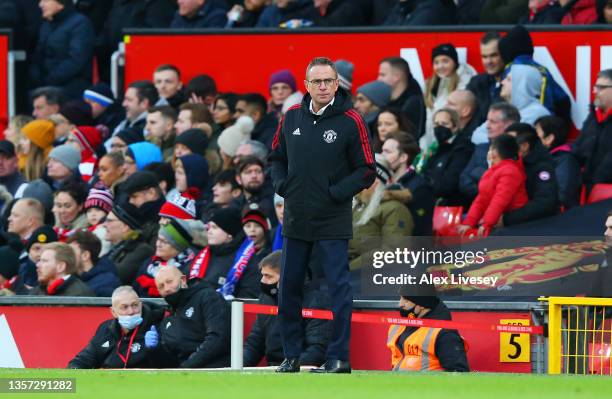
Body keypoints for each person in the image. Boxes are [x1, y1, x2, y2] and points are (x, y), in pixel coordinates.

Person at [270, 57, 375, 374]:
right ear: (306, 85)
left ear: (337, 83)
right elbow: (276, 157)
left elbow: (366, 170)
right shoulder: (290, 117)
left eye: (329, 81)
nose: (324, 87)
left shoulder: (351, 120)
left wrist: (335, 193)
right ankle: (291, 356)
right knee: (288, 288)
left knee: (338, 289)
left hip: (332, 220)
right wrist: (281, 185)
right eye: (317, 81)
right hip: (296, 219)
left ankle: (339, 357)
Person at [243, 250, 331, 367]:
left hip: (303, 370)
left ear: (287, 277)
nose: (262, 281)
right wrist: (237, 366)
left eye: (268, 276)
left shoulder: (316, 302)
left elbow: (317, 349)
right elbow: (255, 342)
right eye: (262, 275)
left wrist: (288, 367)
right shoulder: (266, 299)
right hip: (275, 367)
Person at [148, 267, 231, 368]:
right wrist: (156, 350)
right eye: (161, 286)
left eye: (169, 282)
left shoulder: (207, 296)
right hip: (185, 375)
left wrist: (186, 368)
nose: (167, 288)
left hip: (216, 369)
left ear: (183, 280)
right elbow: (171, 363)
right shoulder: (168, 317)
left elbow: (218, 339)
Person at [67, 286, 165, 368]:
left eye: (135, 305)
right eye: (124, 307)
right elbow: (83, 360)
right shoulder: (106, 329)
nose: (131, 311)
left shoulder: (156, 325)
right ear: (113, 312)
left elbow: (169, 366)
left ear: (141, 305)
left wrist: (155, 350)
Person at [350, 154, 413, 270]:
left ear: (376, 181)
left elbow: (393, 252)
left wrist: (348, 268)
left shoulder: (395, 209)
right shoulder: (357, 203)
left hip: (367, 276)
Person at [458, 134, 529, 236]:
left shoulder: (511, 171)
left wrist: (487, 223)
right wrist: (469, 222)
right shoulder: (493, 170)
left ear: (495, 152)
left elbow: (499, 200)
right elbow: (481, 199)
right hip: (495, 222)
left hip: (514, 227)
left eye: (491, 149)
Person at [389, 282, 469, 372]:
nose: (400, 304)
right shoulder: (399, 326)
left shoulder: (444, 333)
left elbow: (458, 373)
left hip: (428, 385)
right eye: (401, 298)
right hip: (398, 384)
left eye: (406, 300)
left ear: (422, 305)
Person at [28, 0, 94, 99]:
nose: (40, 4)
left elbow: (76, 59)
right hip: (45, 86)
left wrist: (50, 79)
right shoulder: (46, 24)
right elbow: (38, 54)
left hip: (71, 88)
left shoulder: (80, 23)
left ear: (61, 4)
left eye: (45, 1)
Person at [459, 102, 521, 205]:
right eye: (488, 121)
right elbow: (464, 180)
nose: (487, 126)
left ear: (509, 125)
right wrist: (486, 193)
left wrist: (478, 174)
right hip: (478, 206)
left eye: (493, 122)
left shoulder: (520, 151)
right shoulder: (481, 148)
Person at [422, 43, 476, 150]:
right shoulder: (430, 84)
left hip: (452, 142)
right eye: (436, 62)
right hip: (432, 142)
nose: (440, 66)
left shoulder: (464, 82)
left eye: (445, 61)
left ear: (455, 63)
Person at [503, 123, 559, 226]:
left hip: (538, 226)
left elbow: (545, 203)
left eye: (509, 144)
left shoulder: (543, 168)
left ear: (524, 146)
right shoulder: (510, 162)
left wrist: (506, 219)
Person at [418, 108, 474, 207]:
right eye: (436, 124)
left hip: (452, 204)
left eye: (444, 124)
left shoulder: (463, 148)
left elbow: (448, 184)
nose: (439, 128)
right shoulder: (437, 147)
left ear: (455, 127)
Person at [381, 131, 433, 236]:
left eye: (387, 152)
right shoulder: (379, 181)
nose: (382, 156)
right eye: (382, 151)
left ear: (403, 157)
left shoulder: (420, 188)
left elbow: (419, 230)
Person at [572, 69, 612, 192]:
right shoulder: (593, 117)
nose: (594, 91)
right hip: (588, 188)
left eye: (600, 87)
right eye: (595, 87)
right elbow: (577, 147)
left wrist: (594, 184)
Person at [535, 116, 581, 209]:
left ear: (549, 139)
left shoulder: (565, 160)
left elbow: (562, 196)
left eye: (536, 137)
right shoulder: (542, 157)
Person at [104, 203, 154, 285]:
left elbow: (116, 276)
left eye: (109, 221)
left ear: (125, 227)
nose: (104, 225)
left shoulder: (142, 250)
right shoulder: (117, 247)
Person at [377, 57, 425, 138]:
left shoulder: (413, 103)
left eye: (382, 75)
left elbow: (411, 140)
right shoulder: (386, 101)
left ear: (397, 76)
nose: (378, 79)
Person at [467, 32, 505, 126]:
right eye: (484, 56)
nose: (488, 61)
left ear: (504, 54)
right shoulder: (476, 83)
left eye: (493, 55)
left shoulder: (513, 82)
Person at [30, 242, 95, 296]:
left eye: (44, 261)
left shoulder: (80, 295)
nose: (37, 265)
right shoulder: (36, 292)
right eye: (39, 260)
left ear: (61, 267)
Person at [68, 230, 120, 297]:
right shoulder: (71, 279)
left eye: (71, 251)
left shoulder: (107, 283)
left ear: (85, 255)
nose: (66, 255)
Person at [84, 188, 113, 256]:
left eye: (97, 210)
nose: (93, 214)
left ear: (107, 212)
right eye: (89, 211)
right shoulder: (87, 229)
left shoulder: (104, 232)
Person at [383, 0, 457, 25]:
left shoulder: (432, 6)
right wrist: (403, 5)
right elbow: (383, 31)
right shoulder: (403, 6)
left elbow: (408, 34)